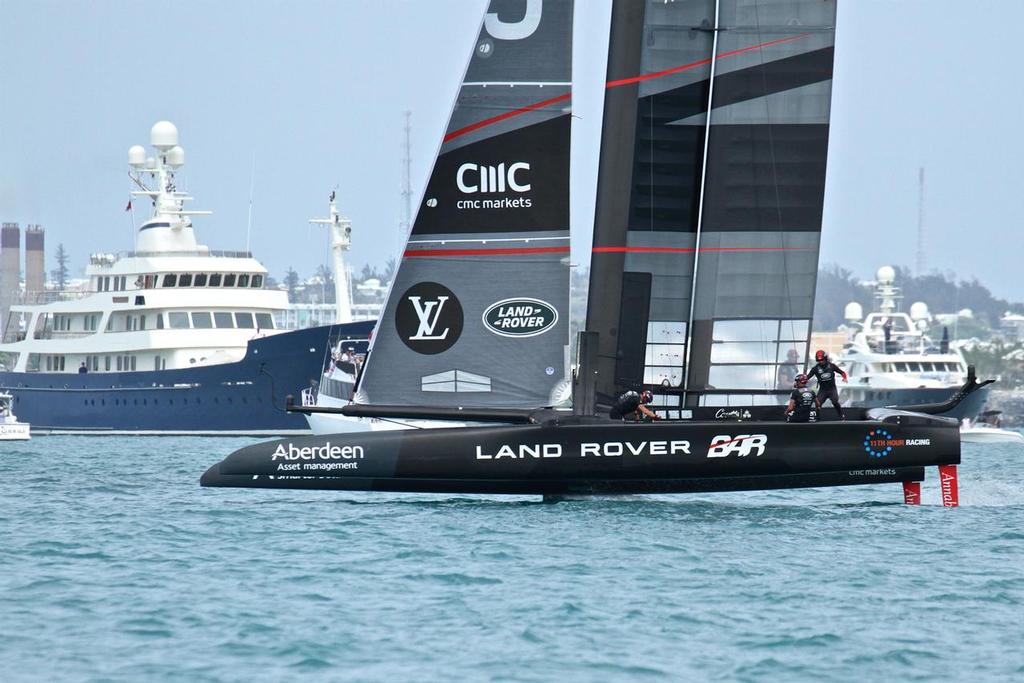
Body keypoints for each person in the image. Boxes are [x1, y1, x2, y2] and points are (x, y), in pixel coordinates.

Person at [808, 349, 847, 419]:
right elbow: (808, 376)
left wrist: (844, 378)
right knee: (818, 404)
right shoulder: (815, 368)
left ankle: (841, 415)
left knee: (835, 401)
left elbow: (842, 372)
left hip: (832, 389)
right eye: (819, 360)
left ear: (825, 359)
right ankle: (817, 417)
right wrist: (802, 380)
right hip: (823, 390)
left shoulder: (832, 366)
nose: (820, 362)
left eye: (822, 360)